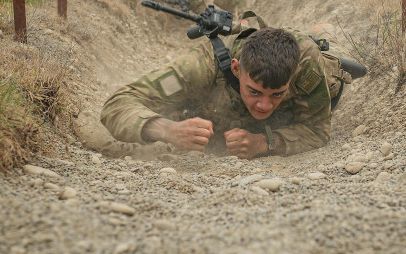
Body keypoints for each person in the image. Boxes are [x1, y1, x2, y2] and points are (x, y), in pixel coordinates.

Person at [100, 15, 357, 159]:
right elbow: (117, 104)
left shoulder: (306, 65)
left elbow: (317, 131)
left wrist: (263, 143)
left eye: (276, 94)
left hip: (313, 77)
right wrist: (166, 129)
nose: (264, 105)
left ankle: (323, 31)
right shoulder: (200, 67)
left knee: (339, 65)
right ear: (235, 69)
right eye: (254, 91)